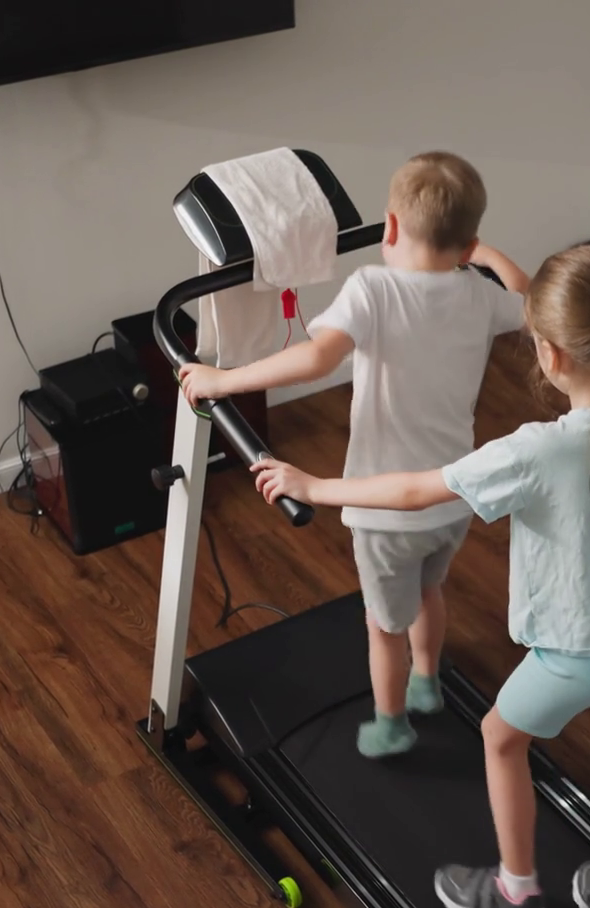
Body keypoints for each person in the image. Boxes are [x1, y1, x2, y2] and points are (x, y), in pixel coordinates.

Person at [251, 245, 590, 908]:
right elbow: (563, 315)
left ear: (549, 355)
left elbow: (414, 490)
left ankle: (517, 896)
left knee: (500, 738)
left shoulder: (538, 451)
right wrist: (494, 259)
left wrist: (315, 485)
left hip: (576, 656)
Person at [180, 151, 529, 759]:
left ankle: (392, 724)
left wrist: (222, 380)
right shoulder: (479, 294)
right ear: (468, 244)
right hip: (453, 497)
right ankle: (426, 683)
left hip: (384, 511)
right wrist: (490, 257)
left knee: (384, 624)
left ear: (389, 227)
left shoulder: (373, 288)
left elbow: (316, 358)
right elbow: (530, 302)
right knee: (429, 593)